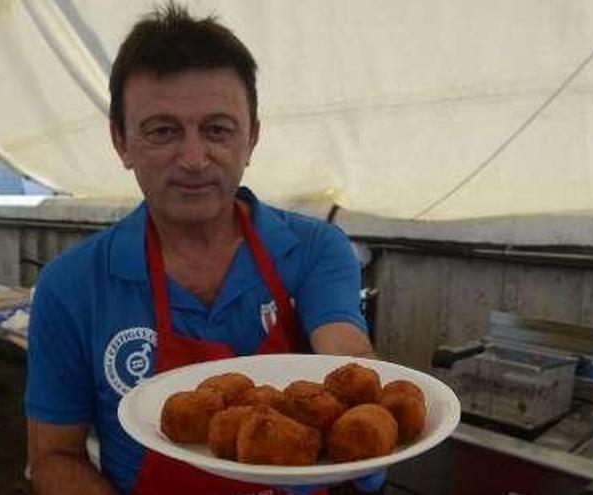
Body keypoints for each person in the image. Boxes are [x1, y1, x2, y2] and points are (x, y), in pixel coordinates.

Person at [26, 3, 381, 494]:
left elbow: (346, 354)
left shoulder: (314, 249)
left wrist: (368, 403)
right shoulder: (71, 285)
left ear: (251, 137)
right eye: (163, 131)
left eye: (217, 129)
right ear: (121, 141)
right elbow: (54, 456)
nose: (193, 159)